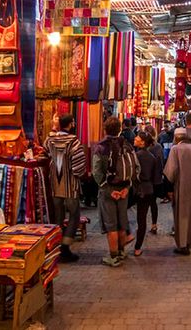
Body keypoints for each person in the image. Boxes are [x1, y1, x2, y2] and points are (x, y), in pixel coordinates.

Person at [92, 117, 138, 267]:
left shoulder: (101, 147)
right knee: (122, 222)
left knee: (111, 224)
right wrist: (127, 187)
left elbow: (96, 172)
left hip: (108, 191)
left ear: (105, 129)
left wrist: (107, 189)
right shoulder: (127, 145)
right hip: (124, 190)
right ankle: (121, 251)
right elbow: (136, 168)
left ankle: (113, 256)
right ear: (120, 129)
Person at [44, 114, 87, 263]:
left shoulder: (50, 140)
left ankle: (56, 246)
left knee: (58, 216)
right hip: (70, 185)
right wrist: (79, 174)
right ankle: (65, 247)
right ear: (70, 124)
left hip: (55, 183)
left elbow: (45, 151)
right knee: (74, 216)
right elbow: (79, 164)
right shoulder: (73, 141)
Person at [164, 128, 191, 255]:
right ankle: (190, 241)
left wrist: (169, 189)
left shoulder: (175, 149)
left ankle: (182, 245)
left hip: (181, 187)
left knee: (181, 216)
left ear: (176, 138)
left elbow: (170, 171)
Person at [132, 131, 162, 255]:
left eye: (138, 137)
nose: (135, 138)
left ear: (143, 142)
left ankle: (125, 240)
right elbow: (156, 178)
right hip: (148, 189)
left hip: (136, 189)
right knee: (142, 219)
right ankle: (137, 248)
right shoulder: (153, 158)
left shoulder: (135, 156)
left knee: (132, 215)